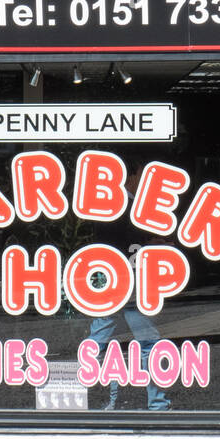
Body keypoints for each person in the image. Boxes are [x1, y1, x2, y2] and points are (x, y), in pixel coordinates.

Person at [83, 165, 172, 412]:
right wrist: (150, 242)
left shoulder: (106, 205)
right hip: (127, 281)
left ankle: (94, 397)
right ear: (132, 176)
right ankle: (157, 404)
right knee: (148, 341)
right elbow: (127, 242)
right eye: (142, 175)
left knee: (98, 340)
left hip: (107, 281)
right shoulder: (129, 206)